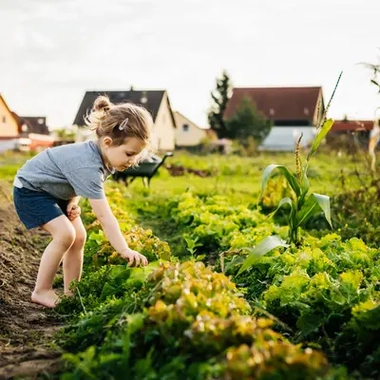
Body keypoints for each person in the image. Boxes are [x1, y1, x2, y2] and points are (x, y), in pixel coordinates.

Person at [13, 95, 151, 308]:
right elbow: (104, 217)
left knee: (79, 237)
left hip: (54, 192)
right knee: (65, 234)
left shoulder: (103, 158)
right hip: (31, 190)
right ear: (107, 142)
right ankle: (41, 291)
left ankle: (71, 292)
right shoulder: (88, 164)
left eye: (136, 156)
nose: (132, 161)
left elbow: (71, 178)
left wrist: (72, 202)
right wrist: (124, 250)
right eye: (129, 153)